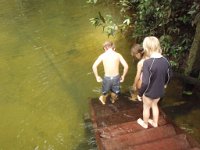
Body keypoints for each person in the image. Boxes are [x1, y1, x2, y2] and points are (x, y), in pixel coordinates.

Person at [137, 36, 171, 128]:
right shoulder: (165, 60)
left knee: (146, 107)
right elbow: (169, 75)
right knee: (155, 105)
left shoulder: (147, 62)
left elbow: (145, 82)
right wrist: (165, 84)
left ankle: (145, 124)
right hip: (160, 91)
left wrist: (140, 94)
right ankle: (155, 123)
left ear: (146, 48)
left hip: (149, 92)